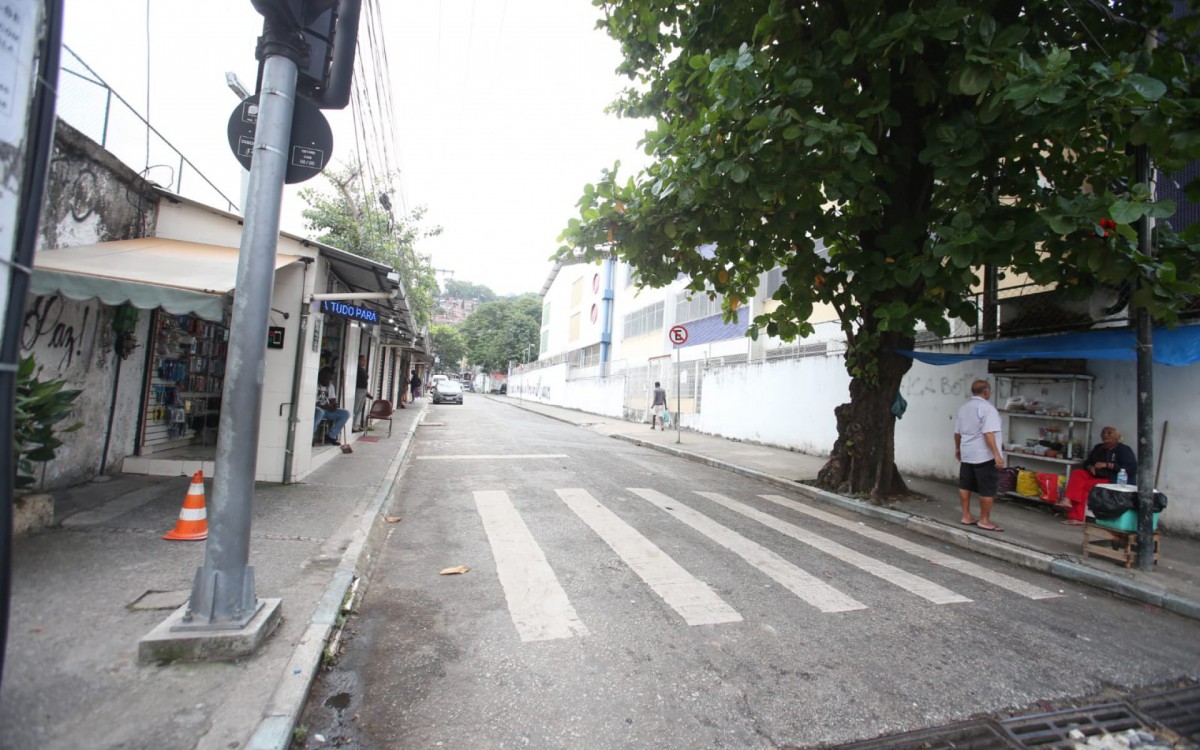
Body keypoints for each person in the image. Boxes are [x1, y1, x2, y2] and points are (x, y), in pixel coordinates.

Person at [954, 379, 1006, 532]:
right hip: (984, 455)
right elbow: (988, 433)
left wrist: (957, 448)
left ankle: (966, 515)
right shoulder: (987, 408)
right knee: (987, 488)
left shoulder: (963, 408)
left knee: (965, 485)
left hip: (967, 453)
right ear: (986, 392)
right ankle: (984, 520)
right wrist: (997, 455)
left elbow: (956, 433)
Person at [1059, 426, 1138, 525]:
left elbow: (1132, 469)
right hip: (1097, 475)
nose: (1105, 435)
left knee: (1084, 485)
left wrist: (1108, 465)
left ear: (1117, 436)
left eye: (1109, 433)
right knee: (1078, 473)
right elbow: (1087, 462)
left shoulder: (1123, 449)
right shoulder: (1098, 447)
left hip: (1113, 479)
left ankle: (1077, 517)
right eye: (1103, 433)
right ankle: (1067, 500)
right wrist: (1090, 467)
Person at [314, 366, 350, 446]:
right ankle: (310, 437)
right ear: (321, 376)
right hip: (316, 410)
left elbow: (332, 400)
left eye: (330, 379)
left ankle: (331, 436)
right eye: (326, 378)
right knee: (319, 412)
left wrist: (334, 406)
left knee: (345, 413)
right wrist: (325, 406)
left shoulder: (330, 386)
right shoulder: (314, 384)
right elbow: (312, 402)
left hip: (327, 411)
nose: (328, 380)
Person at [353, 355, 370, 431]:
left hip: (363, 390)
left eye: (365, 360)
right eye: (363, 360)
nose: (364, 362)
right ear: (358, 360)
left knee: (359, 409)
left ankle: (356, 424)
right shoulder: (357, 369)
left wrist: (366, 392)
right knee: (356, 409)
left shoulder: (362, 369)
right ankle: (353, 425)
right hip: (358, 390)